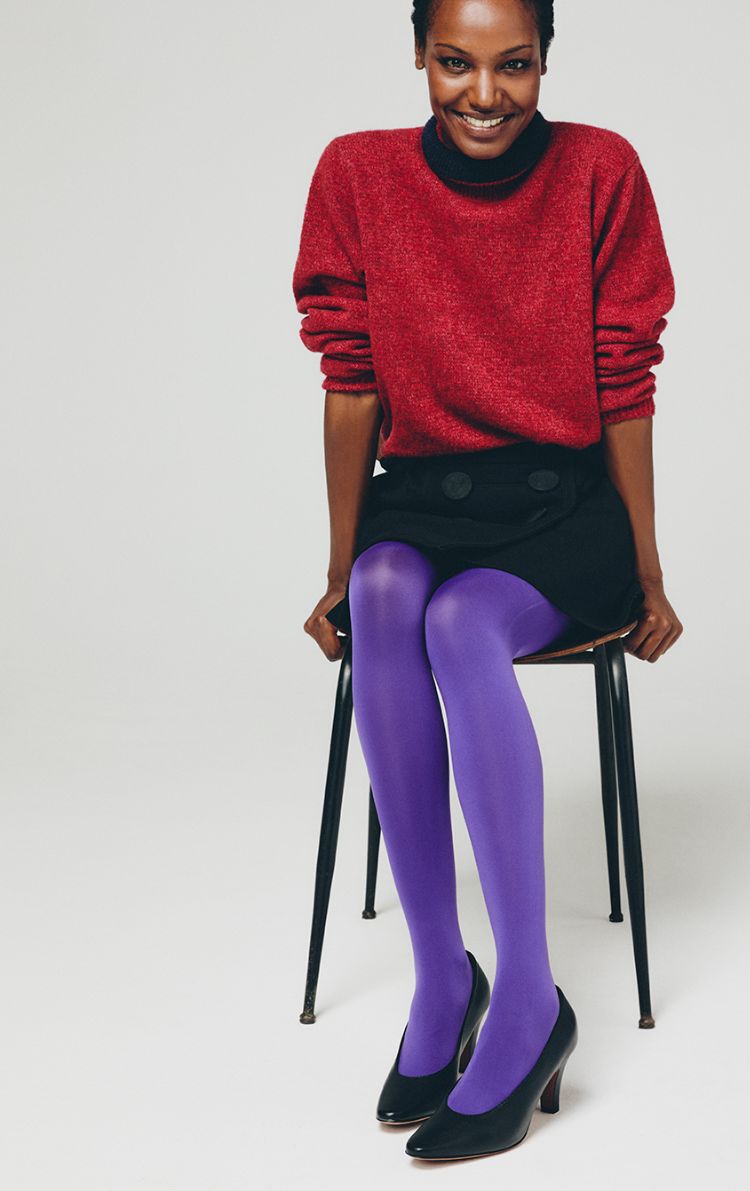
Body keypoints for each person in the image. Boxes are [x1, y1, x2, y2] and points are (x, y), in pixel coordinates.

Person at [291, 0, 683, 1161]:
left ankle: (526, 1003)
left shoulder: (599, 170)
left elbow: (624, 378)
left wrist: (648, 570)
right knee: (383, 595)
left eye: (513, 66)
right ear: (417, 53)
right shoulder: (357, 175)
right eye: (454, 63)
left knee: (461, 621)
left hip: (563, 508)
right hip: (423, 494)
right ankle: (438, 980)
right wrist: (335, 566)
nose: (482, 94)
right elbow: (350, 379)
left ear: (545, 60)